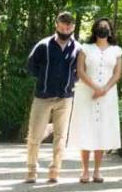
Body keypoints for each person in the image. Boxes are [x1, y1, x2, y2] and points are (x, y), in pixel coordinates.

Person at [24, 12, 80, 183]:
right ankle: (31, 171)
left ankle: (55, 170)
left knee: (61, 136)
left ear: (73, 27)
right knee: (34, 135)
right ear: (57, 25)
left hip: (65, 97)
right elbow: (31, 66)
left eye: (69, 27)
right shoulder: (44, 45)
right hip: (43, 96)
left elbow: (80, 71)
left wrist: (70, 83)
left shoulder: (78, 48)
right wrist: (44, 79)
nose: (65, 30)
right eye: (63, 27)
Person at [67, 17, 122, 183]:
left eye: (106, 26)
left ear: (110, 30)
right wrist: (95, 88)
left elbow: (117, 73)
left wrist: (104, 89)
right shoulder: (85, 48)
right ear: (94, 30)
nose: (103, 29)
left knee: (101, 131)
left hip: (108, 94)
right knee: (86, 129)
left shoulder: (116, 50)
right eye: (100, 26)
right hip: (86, 93)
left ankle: (98, 171)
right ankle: (84, 170)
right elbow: (80, 70)